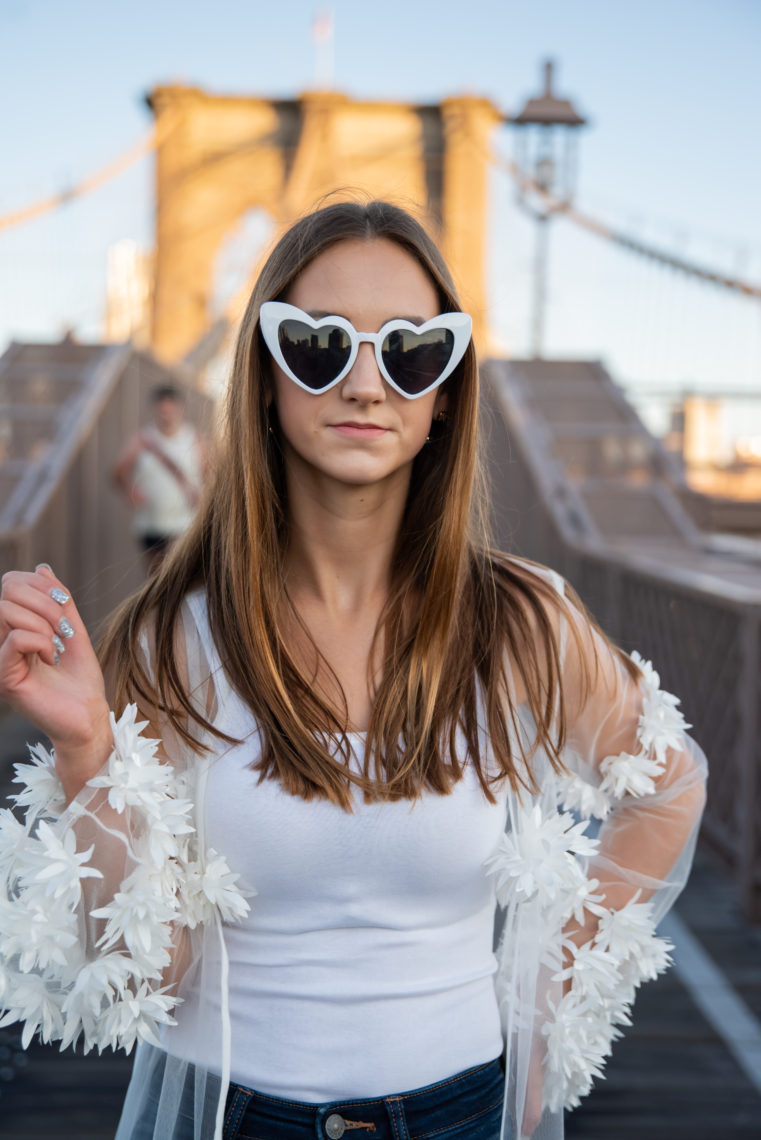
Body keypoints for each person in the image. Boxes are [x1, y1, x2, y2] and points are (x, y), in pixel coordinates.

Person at [0, 200, 707, 1140]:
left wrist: (546, 1004)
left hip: (462, 1110)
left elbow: (669, 784)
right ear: (263, 375)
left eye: (412, 350)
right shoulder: (171, 640)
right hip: (236, 1120)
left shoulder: (520, 621)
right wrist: (89, 748)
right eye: (320, 344)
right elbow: (151, 974)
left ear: (447, 388)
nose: (367, 385)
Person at [112, 384, 210, 573]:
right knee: (157, 579)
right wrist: (130, 492)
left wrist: (202, 497)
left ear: (180, 409)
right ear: (155, 410)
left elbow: (211, 475)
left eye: (170, 409)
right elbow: (117, 472)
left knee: (178, 575)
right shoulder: (142, 440)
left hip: (184, 524)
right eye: (162, 410)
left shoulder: (196, 440)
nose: (166, 414)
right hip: (151, 524)